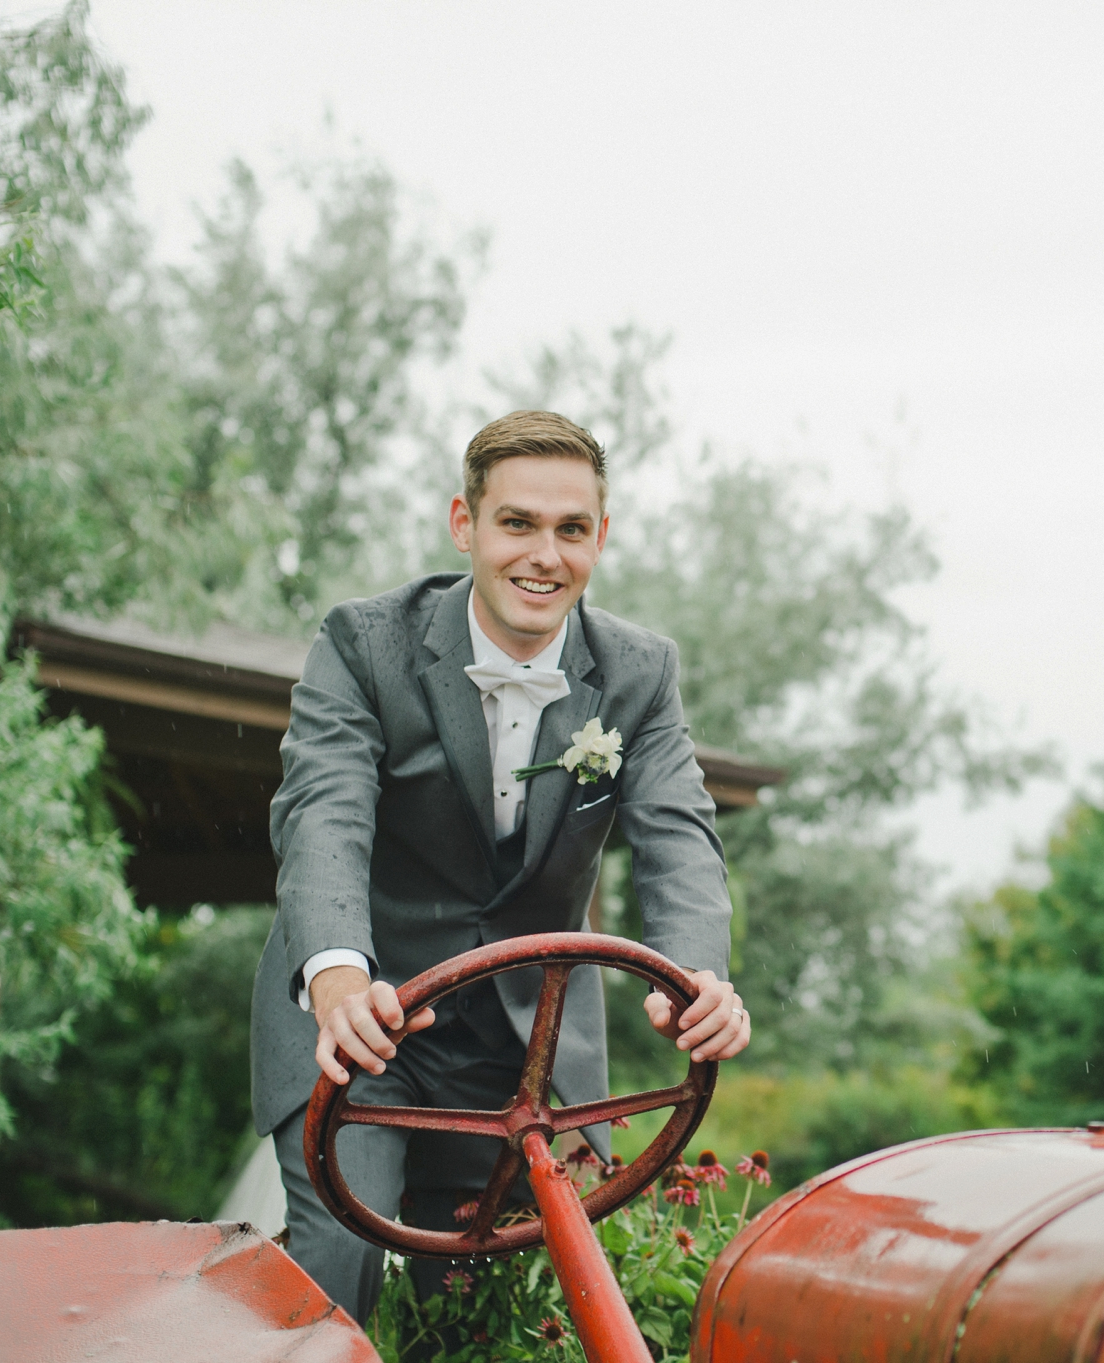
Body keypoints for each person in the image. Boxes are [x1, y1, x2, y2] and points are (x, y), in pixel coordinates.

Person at [247, 410, 751, 1323]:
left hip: (523, 1041)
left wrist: (698, 972)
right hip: (371, 1024)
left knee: (482, 1306)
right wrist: (337, 978)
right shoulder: (366, 643)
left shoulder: (639, 673)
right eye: (517, 523)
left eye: (571, 529)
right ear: (463, 524)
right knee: (341, 1259)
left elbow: (679, 833)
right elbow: (324, 812)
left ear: (602, 535)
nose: (543, 555)